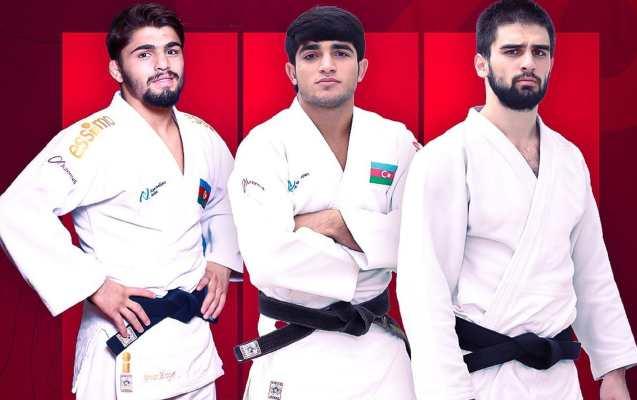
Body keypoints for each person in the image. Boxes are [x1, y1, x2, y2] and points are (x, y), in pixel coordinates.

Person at [397, 0, 637, 399]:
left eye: (539, 52)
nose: (528, 62)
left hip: (558, 379)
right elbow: (424, 289)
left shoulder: (568, 158)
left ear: (551, 63)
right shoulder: (445, 157)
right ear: (481, 64)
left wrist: (613, 370)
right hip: (481, 378)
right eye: (512, 51)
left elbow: (591, 269)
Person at [0, 3, 242, 399]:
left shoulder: (202, 135)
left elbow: (226, 199)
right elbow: (16, 210)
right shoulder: (93, 140)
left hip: (192, 345)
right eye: (144, 54)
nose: (162, 64)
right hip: (126, 343)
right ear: (116, 69)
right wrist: (93, 285)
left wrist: (220, 259)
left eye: (172, 50)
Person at [228, 6, 417, 400]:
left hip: (378, 351)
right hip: (295, 348)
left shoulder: (395, 140)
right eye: (312, 55)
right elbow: (266, 259)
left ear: (361, 68)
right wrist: (373, 245)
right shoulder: (264, 145)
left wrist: (330, 224)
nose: (327, 65)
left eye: (341, 53)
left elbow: (419, 240)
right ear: (291, 71)